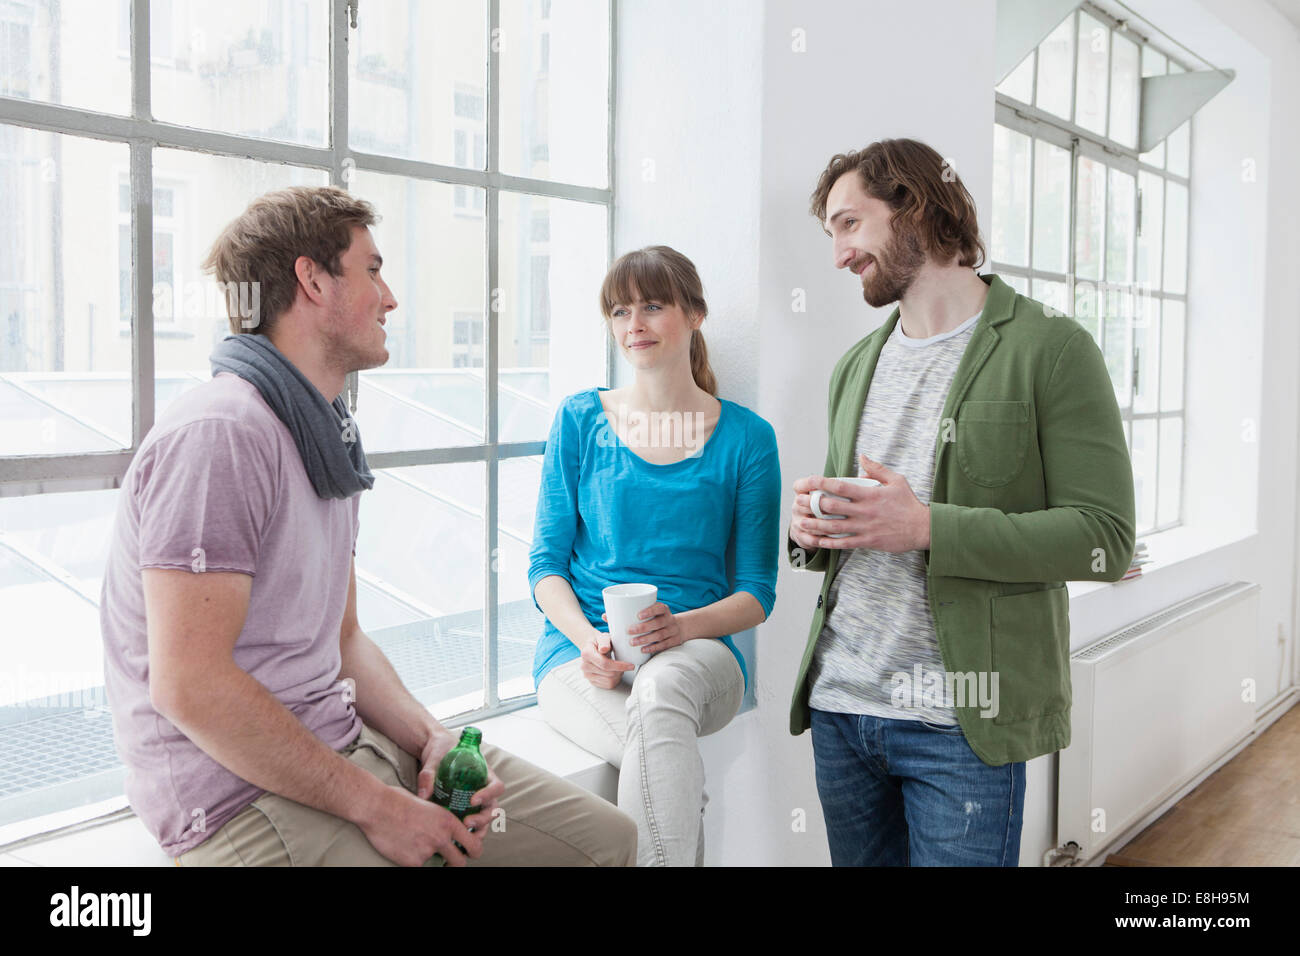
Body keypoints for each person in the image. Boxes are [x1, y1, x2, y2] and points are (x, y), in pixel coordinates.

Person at [99, 185, 636, 867]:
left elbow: (344, 640)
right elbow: (189, 685)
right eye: (373, 269)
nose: (390, 298)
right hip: (247, 803)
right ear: (312, 279)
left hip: (345, 746)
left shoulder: (321, 432)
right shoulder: (223, 434)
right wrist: (380, 808)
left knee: (607, 844)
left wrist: (432, 737)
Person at [788, 139, 1136, 866]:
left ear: (913, 208)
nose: (838, 255)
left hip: (960, 722)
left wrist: (926, 527)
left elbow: (1103, 538)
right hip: (843, 710)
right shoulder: (856, 365)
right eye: (831, 234)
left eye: (850, 224)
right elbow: (857, 527)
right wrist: (811, 532)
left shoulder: (1053, 349)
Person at [529, 245, 781, 866]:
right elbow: (545, 566)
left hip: (700, 656)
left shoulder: (748, 437)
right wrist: (589, 640)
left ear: (694, 314)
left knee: (663, 691)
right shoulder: (579, 420)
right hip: (578, 657)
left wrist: (680, 629)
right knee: (669, 773)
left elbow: (757, 593)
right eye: (619, 311)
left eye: (652, 306)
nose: (633, 324)